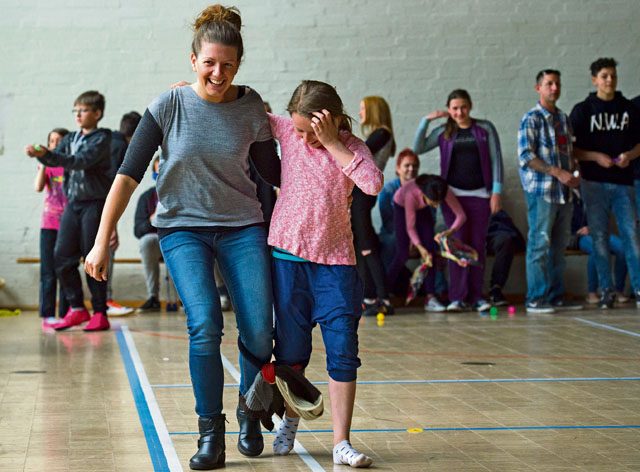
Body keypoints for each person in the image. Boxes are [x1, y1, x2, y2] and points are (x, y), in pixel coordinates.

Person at [84, 5, 281, 469]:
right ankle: (210, 432)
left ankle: (250, 412)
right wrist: (101, 238)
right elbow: (128, 175)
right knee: (205, 323)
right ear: (193, 60)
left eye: (228, 64)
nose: (218, 72)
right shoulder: (167, 105)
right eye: (209, 62)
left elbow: (276, 175)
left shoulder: (251, 106)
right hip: (182, 228)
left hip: (242, 227)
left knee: (257, 328)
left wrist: (307, 135)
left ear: (238, 65)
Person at [267, 80, 383, 467]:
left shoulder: (350, 148)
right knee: (291, 352)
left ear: (330, 120)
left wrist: (332, 143)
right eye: (298, 130)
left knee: (343, 350)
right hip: (287, 260)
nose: (302, 137)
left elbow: (372, 183)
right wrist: (191, 90)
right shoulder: (286, 130)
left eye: (310, 130)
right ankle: (291, 417)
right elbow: (242, 107)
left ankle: (341, 441)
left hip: (336, 265)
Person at [25, 91, 113, 331]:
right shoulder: (70, 137)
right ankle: (77, 307)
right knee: (61, 258)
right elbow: (55, 159)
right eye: (75, 111)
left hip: (93, 204)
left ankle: (100, 312)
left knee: (91, 258)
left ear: (97, 113)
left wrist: (49, 154)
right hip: (72, 205)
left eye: (83, 110)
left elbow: (79, 161)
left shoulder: (102, 139)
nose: (78, 115)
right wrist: (41, 155)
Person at [413, 89, 503, 312]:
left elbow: (496, 160)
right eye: (454, 108)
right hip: (453, 196)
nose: (459, 112)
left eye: (463, 107)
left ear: (470, 106)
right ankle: (457, 297)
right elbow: (418, 148)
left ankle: (477, 296)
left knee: (477, 245)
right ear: (449, 109)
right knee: (456, 246)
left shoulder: (485, 129)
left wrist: (496, 192)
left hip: (481, 194)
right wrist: (426, 120)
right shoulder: (445, 131)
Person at [570, 58, 640, 309]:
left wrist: (629, 156)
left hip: (624, 183)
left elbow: (638, 145)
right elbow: (573, 150)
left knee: (631, 236)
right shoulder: (582, 110)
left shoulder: (629, 109)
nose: (609, 80)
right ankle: (605, 290)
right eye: (604, 76)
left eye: (613, 75)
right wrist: (595, 157)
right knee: (599, 238)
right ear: (594, 79)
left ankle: (638, 289)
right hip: (593, 183)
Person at [518, 69, 582, 314]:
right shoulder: (531, 118)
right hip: (541, 192)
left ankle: (555, 295)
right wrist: (557, 172)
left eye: (557, 83)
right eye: (549, 84)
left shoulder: (564, 119)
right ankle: (535, 298)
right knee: (539, 245)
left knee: (559, 246)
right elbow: (526, 156)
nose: (554, 88)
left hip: (565, 192)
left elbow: (569, 153)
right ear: (538, 88)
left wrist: (575, 172)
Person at [387, 173, 466, 312]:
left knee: (430, 252)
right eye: (433, 202)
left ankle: (430, 297)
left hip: (422, 209)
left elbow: (461, 216)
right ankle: (383, 294)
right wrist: (418, 246)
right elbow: (410, 227)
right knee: (403, 253)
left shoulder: (442, 190)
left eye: (438, 203)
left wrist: (449, 232)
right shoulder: (411, 193)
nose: (436, 206)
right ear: (424, 194)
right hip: (402, 206)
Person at [353, 96, 396, 316]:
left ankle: (383, 297)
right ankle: (368, 295)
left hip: (363, 194)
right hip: (361, 194)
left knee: (367, 244)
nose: (360, 112)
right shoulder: (377, 134)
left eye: (362, 108)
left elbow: (358, 154)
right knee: (361, 246)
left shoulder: (382, 133)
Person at [105, 111, 143, 316]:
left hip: (83, 206)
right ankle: (105, 300)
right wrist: (111, 227)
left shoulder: (107, 140)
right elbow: (114, 187)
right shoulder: (122, 148)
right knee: (106, 249)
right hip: (99, 207)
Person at [34, 128, 70, 328]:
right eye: (52, 141)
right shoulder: (46, 166)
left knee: (66, 269)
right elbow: (38, 187)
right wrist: (42, 164)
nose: (55, 144)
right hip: (49, 224)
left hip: (68, 226)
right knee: (48, 271)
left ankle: (66, 313)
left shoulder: (71, 165)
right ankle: (47, 314)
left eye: (59, 140)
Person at [134, 155, 178, 312]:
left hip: (179, 237)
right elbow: (138, 230)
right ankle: (153, 297)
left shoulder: (182, 193)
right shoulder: (146, 197)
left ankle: (182, 299)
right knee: (146, 241)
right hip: (155, 238)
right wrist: (152, 219)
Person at [570, 191, 628, 304]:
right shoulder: (568, 196)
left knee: (622, 248)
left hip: (599, 231)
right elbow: (566, 224)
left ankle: (618, 291)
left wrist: (592, 227)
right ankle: (592, 292)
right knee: (597, 249)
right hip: (580, 236)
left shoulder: (597, 193)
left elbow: (604, 217)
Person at [485, 210, 526, 306]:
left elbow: (496, 210)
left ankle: (496, 288)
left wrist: (495, 195)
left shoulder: (493, 196)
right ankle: (466, 294)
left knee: (506, 240)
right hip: (468, 227)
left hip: (491, 230)